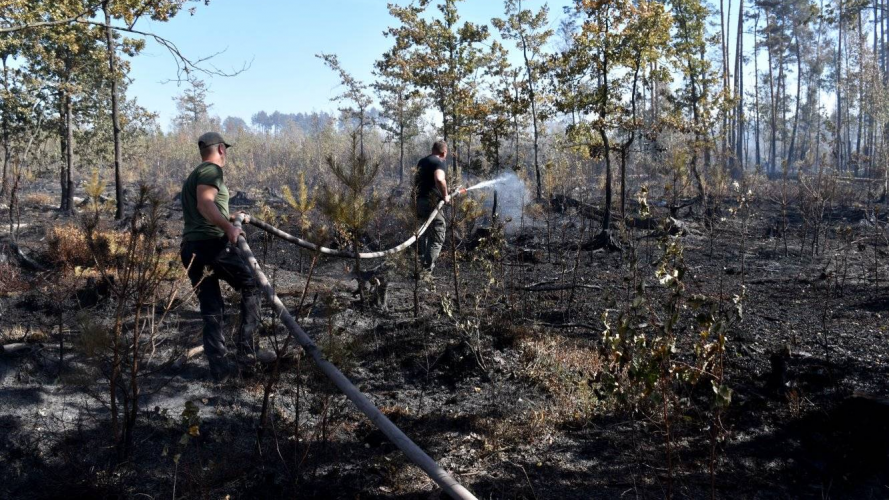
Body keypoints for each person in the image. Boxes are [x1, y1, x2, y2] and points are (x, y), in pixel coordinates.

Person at [180, 132, 272, 382]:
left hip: (191, 248)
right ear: (221, 149)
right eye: (226, 150)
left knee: (211, 307)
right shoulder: (212, 171)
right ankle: (248, 353)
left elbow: (206, 208)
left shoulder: (195, 174)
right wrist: (229, 228)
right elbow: (204, 204)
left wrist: (229, 215)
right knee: (252, 284)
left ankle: (219, 370)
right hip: (212, 246)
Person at [413, 140, 453, 274]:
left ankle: (419, 267)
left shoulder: (422, 161)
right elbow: (439, 179)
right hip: (430, 203)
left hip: (418, 201)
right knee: (437, 235)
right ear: (444, 152)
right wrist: (446, 195)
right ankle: (425, 273)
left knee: (423, 234)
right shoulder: (439, 161)